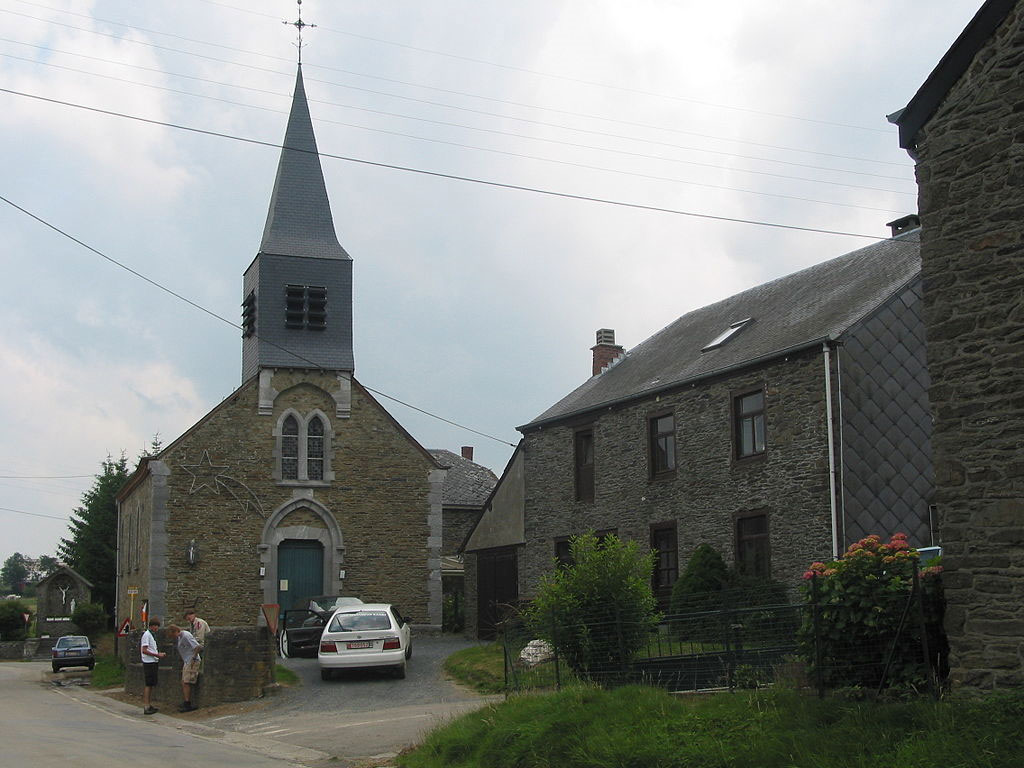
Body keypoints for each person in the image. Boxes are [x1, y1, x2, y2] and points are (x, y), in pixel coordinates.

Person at [167, 624, 203, 712]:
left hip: (191, 661)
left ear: (176, 631)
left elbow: (198, 647)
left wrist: (193, 658)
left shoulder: (186, 635)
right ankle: (187, 702)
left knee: (186, 682)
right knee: (184, 682)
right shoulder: (180, 637)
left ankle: (188, 703)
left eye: (173, 635)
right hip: (187, 661)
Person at [140, 617, 166, 715]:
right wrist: (157, 655)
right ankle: (146, 706)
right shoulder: (147, 635)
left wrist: (157, 654)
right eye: (156, 626)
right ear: (152, 626)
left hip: (153, 661)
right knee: (148, 684)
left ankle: (148, 704)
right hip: (149, 662)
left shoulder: (151, 635)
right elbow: (144, 650)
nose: (157, 629)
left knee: (151, 684)